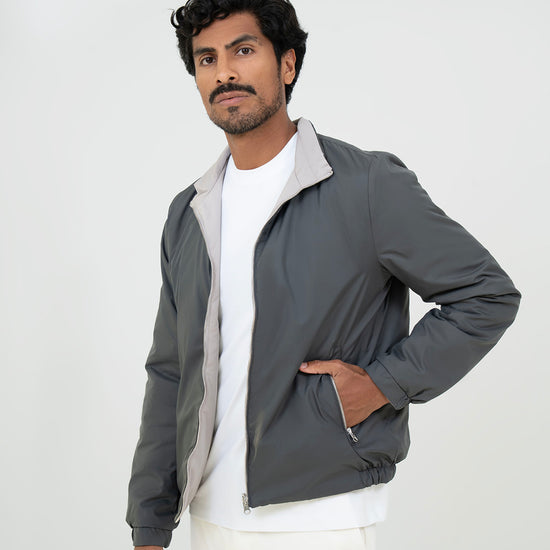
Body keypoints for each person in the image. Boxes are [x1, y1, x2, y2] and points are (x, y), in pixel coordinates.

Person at [126, 1, 521, 548]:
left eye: (244, 50)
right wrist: (149, 522)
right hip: (208, 514)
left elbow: (486, 295)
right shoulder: (190, 212)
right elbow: (171, 372)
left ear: (287, 63)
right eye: (207, 59)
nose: (225, 73)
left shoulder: (364, 185)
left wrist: (382, 385)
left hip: (321, 515)